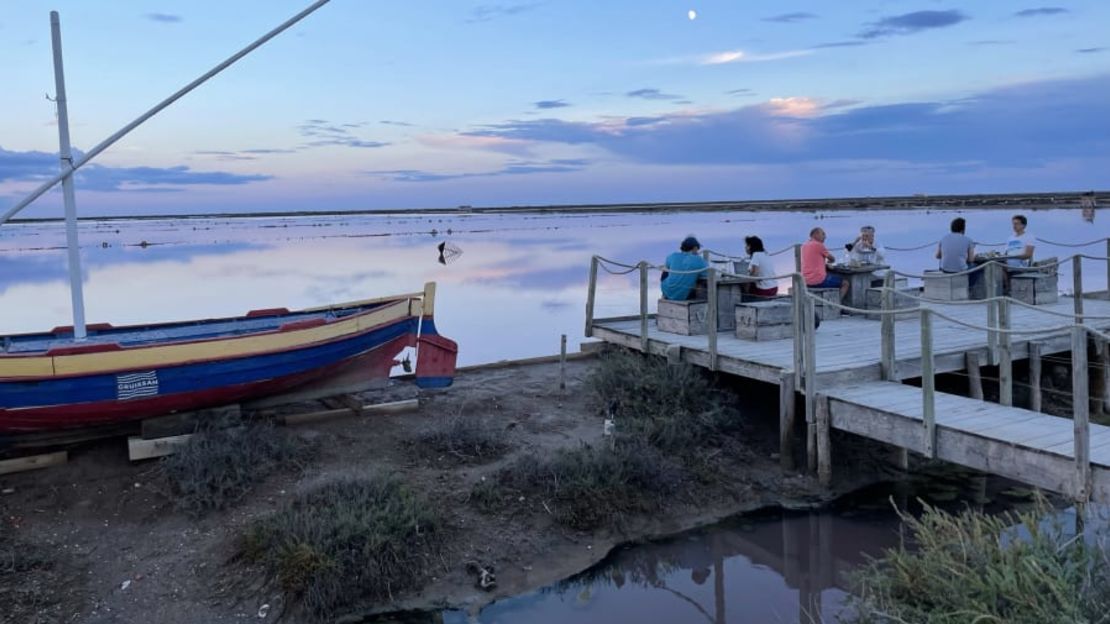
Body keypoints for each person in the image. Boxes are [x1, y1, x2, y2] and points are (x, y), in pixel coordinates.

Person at [801, 227, 848, 299]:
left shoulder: (804, 245)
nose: (825, 237)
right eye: (823, 234)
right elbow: (832, 259)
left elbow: (812, 261)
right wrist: (830, 262)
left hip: (805, 281)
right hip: (818, 281)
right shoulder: (818, 245)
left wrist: (824, 264)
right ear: (816, 235)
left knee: (830, 276)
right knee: (845, 283)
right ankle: (837, 305)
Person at [660, 235, 708, 300]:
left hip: (667, 291)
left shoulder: (673, 256)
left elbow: (665, 270)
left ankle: (664, 295)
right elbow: (708, 274)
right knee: (700, 282)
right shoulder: (698, 260)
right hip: (682, 295)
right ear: (695, 248)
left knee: (666, 269)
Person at [936, 217, 979, 289]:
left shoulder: (943, 238)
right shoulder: (968, 240)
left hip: (945, 269)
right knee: (976, 268)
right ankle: (969, 288)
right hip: (960, 270)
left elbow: (937, 256)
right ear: (963, 229)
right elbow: (971, 260)